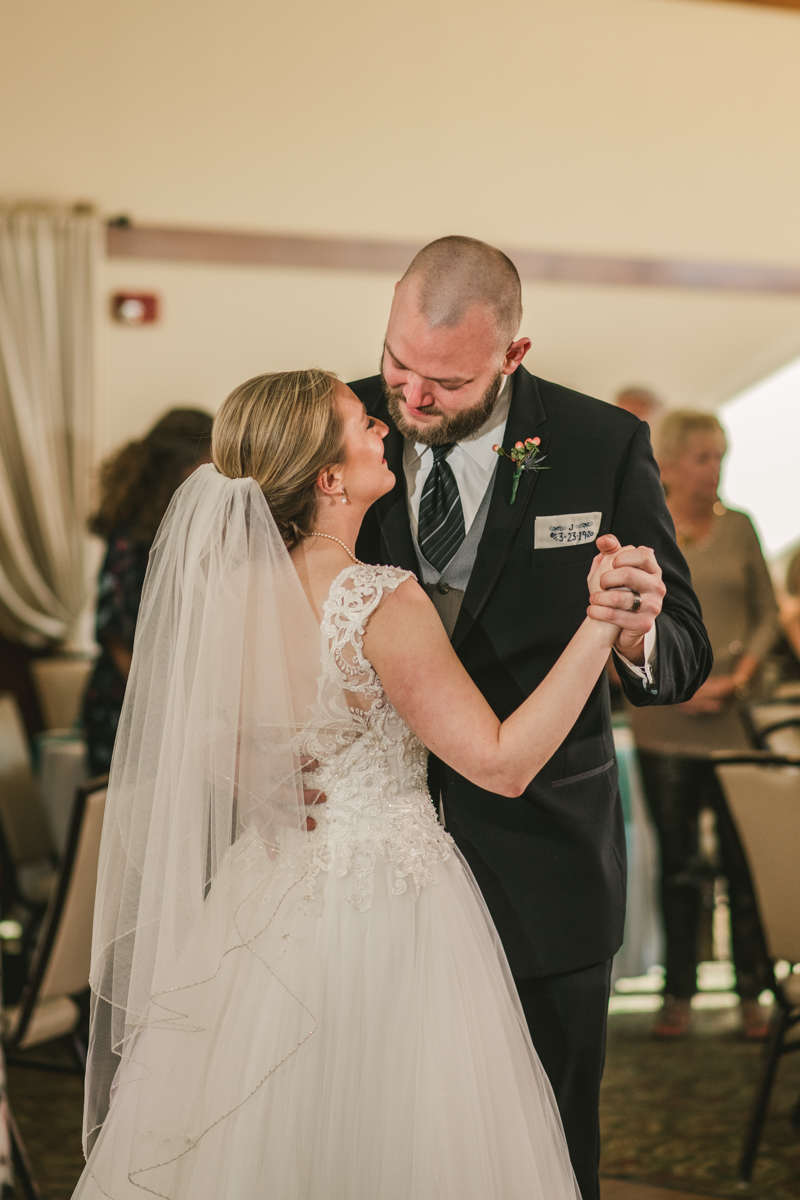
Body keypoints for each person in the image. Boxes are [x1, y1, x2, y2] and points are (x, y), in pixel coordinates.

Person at [74, 369, 628, 1200]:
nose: (383, 428)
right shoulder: (376, 598)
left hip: (262, 898)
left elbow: (194, 736)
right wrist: (600, 628)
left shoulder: (227, 595)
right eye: (362, 422)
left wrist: (247, 769)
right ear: (329, 478)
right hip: (388, 903)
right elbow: (502, 762)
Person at [350, 236, 711, 1200]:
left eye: (446, 381)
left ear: (513, 356)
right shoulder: (336, 425)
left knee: (545, 1148)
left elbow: (680, 653)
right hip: (367, 864)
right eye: (398, 364)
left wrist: (633, 626)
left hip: (541, 857)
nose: (412, 400)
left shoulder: (601, 445)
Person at [629, 410, 778, 1039]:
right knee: (679, 864)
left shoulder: (739, 527)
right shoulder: (642, 526)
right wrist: (672, 684)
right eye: (703, 457)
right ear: (667, 461)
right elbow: (620, 619)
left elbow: (768, 613)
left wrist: (739, 677)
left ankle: (754, 992)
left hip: (734, 724)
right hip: (666, 724)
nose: (715, 469)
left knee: (748, 864)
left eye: (720, 456)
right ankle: (679, 994)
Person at [82, 408, 213, 775]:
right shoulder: (132, 534)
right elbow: (117, 637)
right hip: (127, 704)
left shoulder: (186, 528)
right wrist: (169, 711)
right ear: (182, 466)